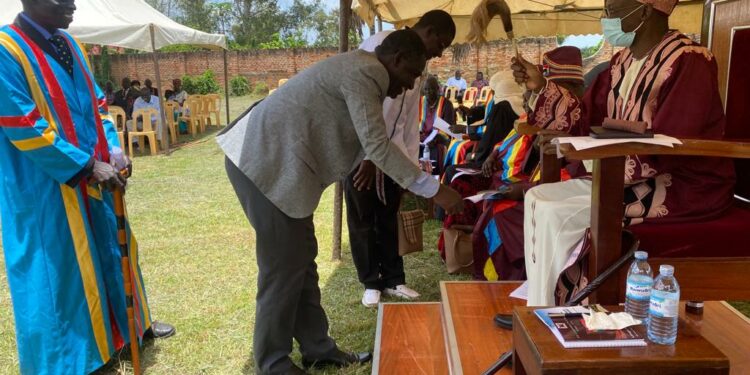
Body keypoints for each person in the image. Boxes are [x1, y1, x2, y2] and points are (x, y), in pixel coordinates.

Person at [218, 29, 464, 374]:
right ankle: (272, 362)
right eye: (411, 75)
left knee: (301, 260)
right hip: (262, 165)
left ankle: (317, 348)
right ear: (397, 60)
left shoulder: (364, 71)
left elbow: (368, 138)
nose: (410, 86)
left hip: (275, 165)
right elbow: (377, 145)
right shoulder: (367, 73)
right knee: (282, 269)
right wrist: (435, 189)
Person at [511, 0, 734, 305]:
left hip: (681, 184)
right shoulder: (620, 63)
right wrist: (541, 87)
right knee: (539, 197)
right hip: (623, 172)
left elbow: (675, 140)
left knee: (557, 212)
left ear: (643, 11)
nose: (606, 18)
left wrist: (606, 153)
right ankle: (541, 303)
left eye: (613, 9)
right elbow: (586, 118)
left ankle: (559, 312)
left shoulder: (690, 60)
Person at [0, 1, 174, 373]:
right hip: (45, 186)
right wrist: (84, 165)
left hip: (97, 174)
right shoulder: (5, 50)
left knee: (114, 248)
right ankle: (70, 361)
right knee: (58, 270)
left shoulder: (71, 45)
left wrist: (111, 148)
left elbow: (97, 103)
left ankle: (132, 328)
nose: (71, 4)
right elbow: (21, 122)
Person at [346, 10, 456, 308]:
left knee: (388, 217)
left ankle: (394, 279)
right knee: (362, 217)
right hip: (362, 152)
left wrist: (411, 165)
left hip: (394, 157)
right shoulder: (378, 46)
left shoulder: (418, 65)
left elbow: (409, 122)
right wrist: (368, 156)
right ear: (430, 31)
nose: (440, 52)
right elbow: (365, 106)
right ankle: (371, 282)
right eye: (442, 44)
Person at [419, 74, 456, 177]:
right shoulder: (420, 102)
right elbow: (414, 123)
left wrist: (436, 138)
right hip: (422, 137)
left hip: (439, 138)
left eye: (431, 89)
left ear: (437, 89)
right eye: (426, 89)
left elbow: (449, 127)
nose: (428, 92)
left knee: (436, 149)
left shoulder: (446, 104)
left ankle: (435, 175)